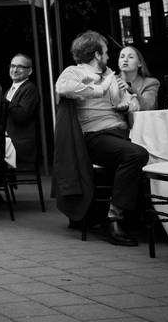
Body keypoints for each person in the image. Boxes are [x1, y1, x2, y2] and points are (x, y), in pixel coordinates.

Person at [55, 30, 149, 246]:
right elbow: (62, 88)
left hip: (121, 133)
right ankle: (114, 217)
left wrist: (127, 104)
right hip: (95, 136)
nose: (108, 56)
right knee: (136, 154)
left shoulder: (113, 76)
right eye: (106, 52)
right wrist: (100, 88)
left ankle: (143, 218)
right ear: (97, 54)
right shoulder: (75, 72)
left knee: (152, 153)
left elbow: (132, 103)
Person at [5, 53, 39, 167]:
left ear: (29, 71)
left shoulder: (30, 88)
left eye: (20, 67)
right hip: (8, 140)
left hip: (21, 143)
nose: (15, 70)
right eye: (12, 66)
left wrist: (3, 102)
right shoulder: (10, 89)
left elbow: (21, 116)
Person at [117, 45, 160, 117]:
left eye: (130, 57)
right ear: (118, 63)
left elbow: (149, 107)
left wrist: (131, 89)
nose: (125, 60)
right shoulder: (110, 80)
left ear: (139, 63)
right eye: (122, 57)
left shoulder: (150, 83)